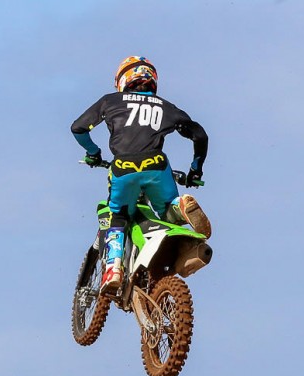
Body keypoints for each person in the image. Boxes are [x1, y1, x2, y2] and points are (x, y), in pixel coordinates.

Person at [71, 56, 211, 294]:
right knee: (166, 207)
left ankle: (113, 269)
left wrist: (93, 153)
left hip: (123, 167)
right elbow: (200, 136)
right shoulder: (165, 106)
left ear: (123, 79)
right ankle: (180, 207)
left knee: (117, 215)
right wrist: (195, 170)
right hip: (157, 165)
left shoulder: (110, 101)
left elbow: (78, 128)